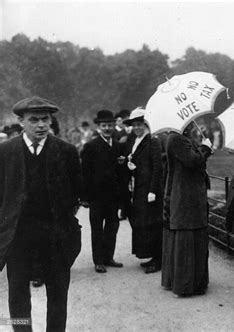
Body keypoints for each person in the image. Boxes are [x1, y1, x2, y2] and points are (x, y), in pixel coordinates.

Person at [0, 96, 82, 332]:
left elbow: (77, 191)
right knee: (17, 298)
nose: (40, 125)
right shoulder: (5, 152)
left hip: (55, 237)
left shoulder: (66, 151)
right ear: (21, 121)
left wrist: (64, 220)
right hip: (18, 238)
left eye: (45, 119)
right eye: (33, 119)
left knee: (58, 296)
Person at [162, 123, 213, 296]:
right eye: (190, 121)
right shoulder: (176, 139)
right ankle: (185, 284)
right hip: (185, 194)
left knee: (192, 235)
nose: (192, 123)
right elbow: (193, 161)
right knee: (186, 236)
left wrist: (201, 147)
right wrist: (205, 148)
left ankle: (192, 282)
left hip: (189, 192)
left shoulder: (180, 138)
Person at [81, 110, 123, 273]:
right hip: (97, 196)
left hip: (113, 195)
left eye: (110, 125)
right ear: (98, 127)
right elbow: (84, 173)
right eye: (104, 125)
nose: (107, 128)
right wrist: (85, 197)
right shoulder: (90, 146)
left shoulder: (119, 145)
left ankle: (108, 257)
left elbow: (121, 172)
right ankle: (98, 260)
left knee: (112, 226)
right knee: (97, 229)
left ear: (114, 126)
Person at [123, 108, 163, 273]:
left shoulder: (152, 140)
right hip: (138, 188)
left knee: (152, 224)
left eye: (140, 124)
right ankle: (150, 255)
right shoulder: (136, 141)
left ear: (146, 124)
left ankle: (158, 259)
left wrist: (153, 190)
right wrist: (131, 166)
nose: (137, 128)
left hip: (148, 190)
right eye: (135, 125)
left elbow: (157, 167)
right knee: (142, 223)